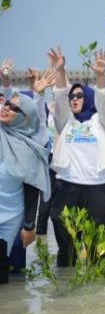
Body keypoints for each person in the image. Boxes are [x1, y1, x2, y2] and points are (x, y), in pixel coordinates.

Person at [48, 46, 105, 267]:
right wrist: (60, 70)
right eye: (73, 96)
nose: (75, 99)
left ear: (87, 98)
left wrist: (100, 76)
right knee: (64, 239)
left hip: (98, 188)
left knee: (96, 246)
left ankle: (96, 292)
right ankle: (66, 289)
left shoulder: (101, 122)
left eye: (79, 96)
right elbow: (59, 97)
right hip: (68, 186)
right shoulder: (65, 120)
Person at [0, 92, 51, 283]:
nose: (6, 108)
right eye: (6, 104)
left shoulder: (30, 148)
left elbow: (32, 189)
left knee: (4, 275)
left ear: (24, 117)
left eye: (14, 108)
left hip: (10, 220)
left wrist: (30, 226)